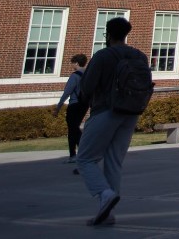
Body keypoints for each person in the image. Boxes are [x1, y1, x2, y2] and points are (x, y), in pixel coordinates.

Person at [75, 16, 150, 227]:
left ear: (108, 34)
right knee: (114, 161)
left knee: (85, 159)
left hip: (106, 110)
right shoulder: (139, 56)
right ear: (126, 34)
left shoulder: (103, 56)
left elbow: (86, 88)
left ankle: (104, 194)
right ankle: (108, 214)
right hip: (132, 111)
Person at [52, 53, 89, 163]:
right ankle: (83, 151)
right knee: (75, 128)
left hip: (74, 104)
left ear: (77, 63)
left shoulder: (75, 76)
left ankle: (74, 154)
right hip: (84, 105)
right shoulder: (88, 75)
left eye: (73, 63)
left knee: (72, 129)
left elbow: (67, 92)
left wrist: (58, 107)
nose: (72, 65)